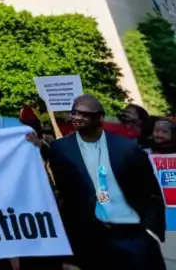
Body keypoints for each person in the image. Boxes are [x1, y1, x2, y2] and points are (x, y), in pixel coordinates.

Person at [50, 93, 165, 269]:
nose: (78, 118)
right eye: (75, 113)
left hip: (132, 236)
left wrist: (152, 231)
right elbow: (66, 192)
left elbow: (150, 191)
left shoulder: (127, 148)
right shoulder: (60, 148)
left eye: (85, 114)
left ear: (100, 117)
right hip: (88, 240)